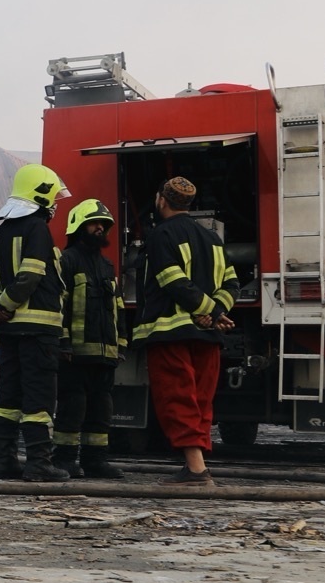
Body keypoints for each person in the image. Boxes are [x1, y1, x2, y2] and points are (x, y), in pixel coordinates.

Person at [130, 176, 239, 484]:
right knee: (201, 400)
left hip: (171, 333)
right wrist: (214, 311)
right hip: (207, 337)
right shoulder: (213, 240)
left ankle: (196, 469)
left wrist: (208, 311)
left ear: (161, 200)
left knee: (178, 398)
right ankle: (196, 464)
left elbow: (170, 279)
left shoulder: (160, 235)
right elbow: (233, 284)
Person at [0, 164, 70, 481]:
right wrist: (4, 305)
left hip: (10, 331)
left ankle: (3, 461)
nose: (56, 204)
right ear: (41, 193)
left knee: (8, 397)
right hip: (38, 332)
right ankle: (39, 464)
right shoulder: (38, 230)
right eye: (53, 196)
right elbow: (30, 276)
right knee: (39, 398)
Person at [53, 199, 127, 479]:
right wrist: (63, 342)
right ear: (78, 226)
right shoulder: (67, 261)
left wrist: (120, 345)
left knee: (101, 408)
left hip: (105, 354)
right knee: (73, 406)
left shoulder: (107, 266)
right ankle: (64, 459)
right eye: (95, 223)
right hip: (75, 354)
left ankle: (96, 460)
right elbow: (60, 305)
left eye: (104, 225)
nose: (100, 229)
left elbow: (117, 308)